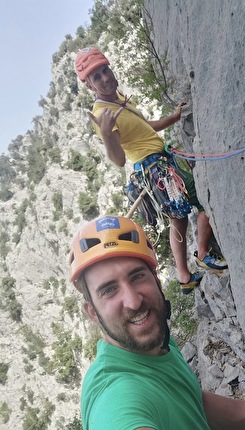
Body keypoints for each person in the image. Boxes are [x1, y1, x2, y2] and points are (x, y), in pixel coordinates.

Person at [69, 215, 245, 430]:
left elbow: (191, 401)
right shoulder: (115, 397)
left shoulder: (156, 342)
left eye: (137, 276)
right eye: (109, 290)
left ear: (156, 280)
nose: (133, 301)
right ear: (92, 312)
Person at [74, 47, 228, 294]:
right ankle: (202, 254)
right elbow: (118, 159)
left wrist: (174, 118)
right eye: (97, 77)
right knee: (203, 200)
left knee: (177, 220)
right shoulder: (103, 114)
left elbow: (146, 126)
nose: (105, 78)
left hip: (158, 163)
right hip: (154, 167)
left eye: (105, 70)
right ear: (90, 86)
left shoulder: (120, 98)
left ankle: (184, 276)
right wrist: (105, 135)